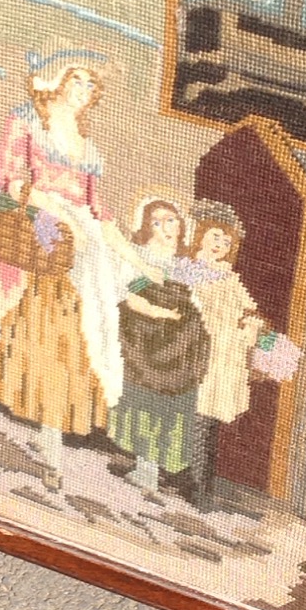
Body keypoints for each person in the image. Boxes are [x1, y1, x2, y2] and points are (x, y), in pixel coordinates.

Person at [0, 54, 157, 470]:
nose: (84, 92)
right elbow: (15, 182)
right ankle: (43, 428)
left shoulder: (85, 145)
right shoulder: (24, 124)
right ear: (56, 81)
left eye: (91, 86)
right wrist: (61, 214)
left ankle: (56, 434)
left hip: (82, 245)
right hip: (43, 245)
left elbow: (99, 212)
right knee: (49, 338)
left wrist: (135, 259)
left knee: (90, 331)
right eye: (78, 80)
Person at [107, 198, 210, 492]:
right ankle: (144, 466)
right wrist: (161, 313)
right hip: (145, 338)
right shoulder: (140, 255)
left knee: (171, 407)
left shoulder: (187, 264)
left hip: (181, 341)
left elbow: (198, 301)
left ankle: (156, 467)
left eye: (171, 220)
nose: (166, 227)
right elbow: (129, 295)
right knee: (143, 400)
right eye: (157, 221)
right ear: (146, 227)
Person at [185, 201, 265, 510]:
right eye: (216, 237)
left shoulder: (228, 277)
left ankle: (202, 486)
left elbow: (247, 310)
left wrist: (253, 327)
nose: (220, 246)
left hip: (225, 357)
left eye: (227, 242)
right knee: (196, 417)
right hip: (199, 352)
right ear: (202, 235)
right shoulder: (190, 270)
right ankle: (193, 483)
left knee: (210, 421)